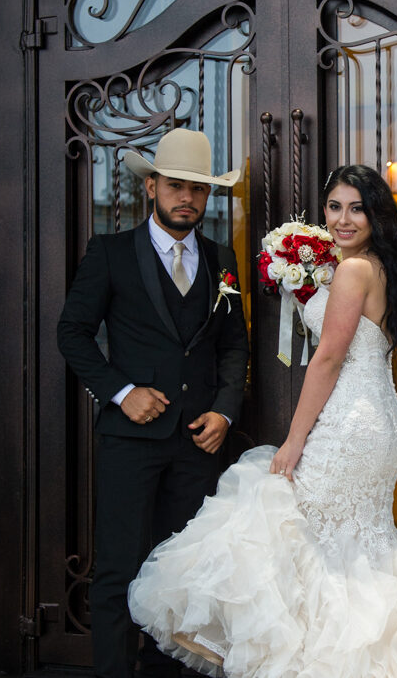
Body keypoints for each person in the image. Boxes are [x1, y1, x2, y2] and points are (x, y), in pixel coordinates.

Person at [128, 165, 397, 678]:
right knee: (349, 548)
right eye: (334, 207)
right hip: (376, 418)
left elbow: (328, 358)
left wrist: (293, 440)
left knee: (295, 528)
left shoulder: (354, 271)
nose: (343, 219)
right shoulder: (370, 266)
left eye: (356, 208)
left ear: (375, 214)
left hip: (351, 424)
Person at [57, 128, 249, 678]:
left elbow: (234, 345)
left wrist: (225, 410)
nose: (186, 197)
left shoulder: (221, 258)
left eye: (198, 189)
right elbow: (72, 333)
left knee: (185, 575)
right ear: (151, 188)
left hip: (198, 442)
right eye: (175, 185)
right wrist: (122, 391)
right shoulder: (111, 253)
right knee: (118, 570)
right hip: (129, 440)